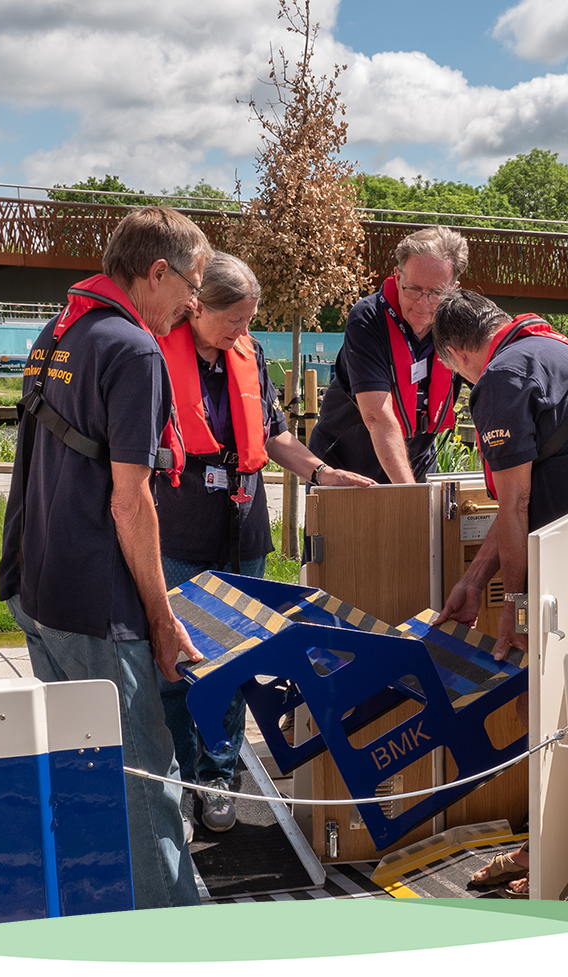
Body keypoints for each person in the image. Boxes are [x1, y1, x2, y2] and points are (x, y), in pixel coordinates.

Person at [0, 206, 213, 909]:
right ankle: (181, 938)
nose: (193, 304)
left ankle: (95, 909)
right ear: (158, 272)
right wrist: (160, 615)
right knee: (144, 777)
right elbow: (130, 501)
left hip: (36, 585)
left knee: (79, 771)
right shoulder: (134, 350)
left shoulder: (62, 328)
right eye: (192, 285)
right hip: (93, 602)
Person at [156, 251, 374, 837]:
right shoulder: (152, 356)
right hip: (177, 532)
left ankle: (219, 777)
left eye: (249, 321)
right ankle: (183, 780)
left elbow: (274, 436)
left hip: (243, 530)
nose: (243, 333)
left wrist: (324, 474)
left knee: (233, 662)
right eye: (234, 321)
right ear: (196, 306)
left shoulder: (251, 360)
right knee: (178, 665)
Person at [430, 290, 568, 895]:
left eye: (452, 370)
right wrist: (473, 583)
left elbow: (517, 502)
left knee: (554, 709)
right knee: (557, 707)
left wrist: (516, 610)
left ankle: (567, 862)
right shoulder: (556, 351)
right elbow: (518, 503)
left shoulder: (499, 376)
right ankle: (554, 848)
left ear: (457, 351)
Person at [308, 226, 468, 483]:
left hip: (418, 464)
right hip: (346, 467)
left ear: (453, 288)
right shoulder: (367, 319)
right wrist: (410, 496)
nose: (423, 303)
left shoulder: (459, 325)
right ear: (397, 276)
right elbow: (377, 416)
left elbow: (491, 379)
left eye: (436, 293)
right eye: (413, 289)